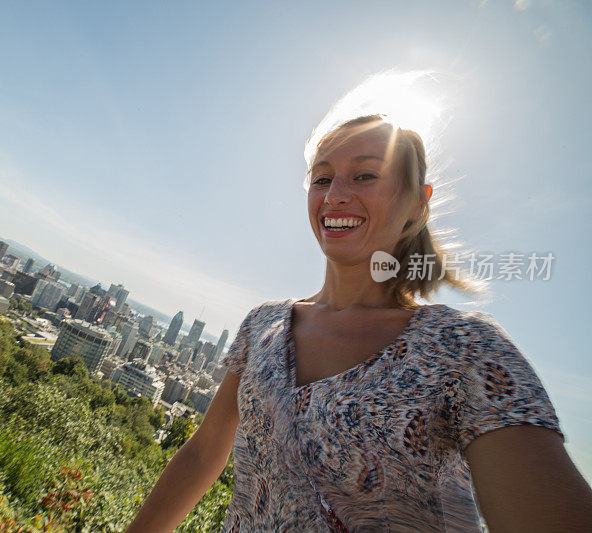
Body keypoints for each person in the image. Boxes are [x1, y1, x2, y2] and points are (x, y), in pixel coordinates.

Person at [125, 112, 592, 532]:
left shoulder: (464, 349)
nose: (336, 195)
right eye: (321, 178)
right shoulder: (261, 326)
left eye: (365, 175)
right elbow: (205, 451)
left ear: (417, 202)